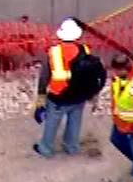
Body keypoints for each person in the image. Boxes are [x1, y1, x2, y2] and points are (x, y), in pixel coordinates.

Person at [34, 18, 92, 158]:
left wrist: (41, 96)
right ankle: (71, 147)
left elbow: (44, 77)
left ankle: (46, 148)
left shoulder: (53, 52)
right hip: (79, 95)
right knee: (75, 122)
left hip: (58, 97)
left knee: (52, 123)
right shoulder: (85, 50)